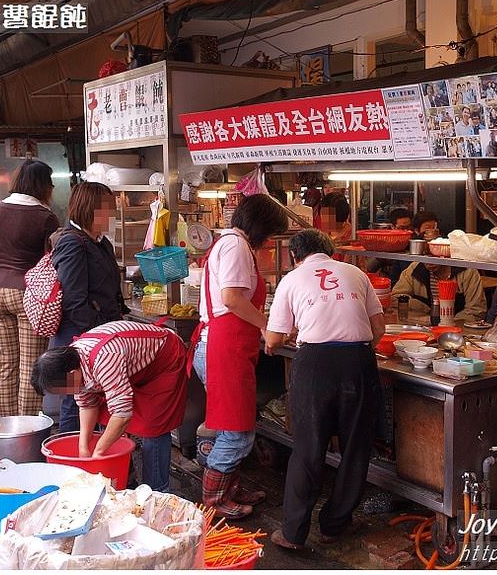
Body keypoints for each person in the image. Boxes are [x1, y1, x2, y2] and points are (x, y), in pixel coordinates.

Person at [264, 229, 385, 550]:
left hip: (314, 365)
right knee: (355, 448)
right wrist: (352, 351)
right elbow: (379, 330)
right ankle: (335, 524)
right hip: (358, 362)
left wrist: (291, 335)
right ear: (330, 252)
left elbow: (274, 339)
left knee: (308, 448)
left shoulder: (291, 279)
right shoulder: (356, 273)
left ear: (294, 256)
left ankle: (293, 534)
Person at [194, 194, 288, 519]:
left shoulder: (233, 244)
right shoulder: (235, 246)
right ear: (261, 226)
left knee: (232, 426)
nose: (271, 241)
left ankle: (231, 488)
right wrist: (267, 326)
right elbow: (232, 299)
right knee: (237, 431)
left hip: (226, 347)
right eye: (272, 234)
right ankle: (214, 498)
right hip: (223, 348)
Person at [31, 321, 188, 493]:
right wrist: (83, 448)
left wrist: (98, 452)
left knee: (152, 427)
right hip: (131, 366)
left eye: (60, 389)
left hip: (162, 361)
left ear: (72, 374)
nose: (63, 394)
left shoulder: (104, 359)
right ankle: (126, 481)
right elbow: (87, 405)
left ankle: (156, 492)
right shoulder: (72, 364)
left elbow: (122, 414)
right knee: (105, 420)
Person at [0, 159, 60, 417]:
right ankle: (26, 427)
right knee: (30, 364)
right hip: (28, 294)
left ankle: (5, 425)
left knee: (6, 362)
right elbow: (52, 262)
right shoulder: (45, 217)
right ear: (42, 185)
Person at [50, 182, 127, 433]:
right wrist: (96, 336)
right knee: (76, 402)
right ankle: (69, 462)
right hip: (78, 339)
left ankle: (94, 460)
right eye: (109, 209)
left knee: (94, 401)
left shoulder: (100, 242)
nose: (113, 215)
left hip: (100, 336)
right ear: (91, 209)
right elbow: (74, 300)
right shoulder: (72, 242)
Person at [392, 261, 487, 322]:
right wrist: (426, 311)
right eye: (425, 256)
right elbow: (396, 298)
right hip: (423, 329)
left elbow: (476, 311)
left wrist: (446, 322)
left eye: (435, 257)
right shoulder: (414, 269)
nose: (430, 262)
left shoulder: (467, 272)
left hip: (458, 333)